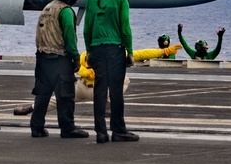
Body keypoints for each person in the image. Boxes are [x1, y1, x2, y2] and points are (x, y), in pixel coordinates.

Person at [15, 44, 181, 116]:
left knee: (57, 100)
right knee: (124, 79)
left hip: (82, 88)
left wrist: (86, 73)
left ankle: (30, 108)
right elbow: (140, 54)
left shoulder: (85, 54)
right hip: (99, 90)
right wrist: (164, 51)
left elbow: (73, 66)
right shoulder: (114, 53)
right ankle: (108, 103)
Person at [83, 0, 137, 143]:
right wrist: (129, 52)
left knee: (99, 90)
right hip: (115, 50)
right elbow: (125, 29)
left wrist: (89, 51)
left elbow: (86, 29)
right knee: (115, 92)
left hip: (96, 49)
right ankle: (118, 131)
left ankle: (100, 132)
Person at [30, 0, 88, 138]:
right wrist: (75, 59)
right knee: (65, 96)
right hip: (59, 59)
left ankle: (36, 128)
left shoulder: (47, 8)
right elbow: (70, 37)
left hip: (42, 59)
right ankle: (67, 128)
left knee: (42, 95)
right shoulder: (65, 11)